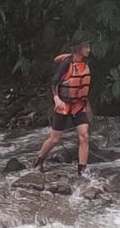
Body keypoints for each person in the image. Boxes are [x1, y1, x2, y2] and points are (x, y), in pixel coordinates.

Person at [33, 41, 92, 176]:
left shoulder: (86, 64)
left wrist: (88, 105)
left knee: (84, 136)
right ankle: (39, 159)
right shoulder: (66, 64)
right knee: (55, 138)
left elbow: (84, 85)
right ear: (78, 49)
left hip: (79, 105)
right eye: (86, 47)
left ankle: (82, 171)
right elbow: (54, 82)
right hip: (63, 104)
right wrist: (56, 98)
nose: (89, 50)